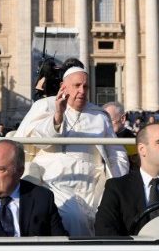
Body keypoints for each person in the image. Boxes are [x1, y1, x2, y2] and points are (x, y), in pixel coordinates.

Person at [14, 66, 128, 235]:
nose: (82, 91)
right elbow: (34, 139)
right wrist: (58, 116)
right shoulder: (45, 106)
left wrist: (119, 183)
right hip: (57, 180)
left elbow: (115, 152)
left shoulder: (99, 115)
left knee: (103, 218)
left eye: (85, 86)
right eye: (77, 86)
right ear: (63, 86)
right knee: (74, 218)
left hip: (93, 182)